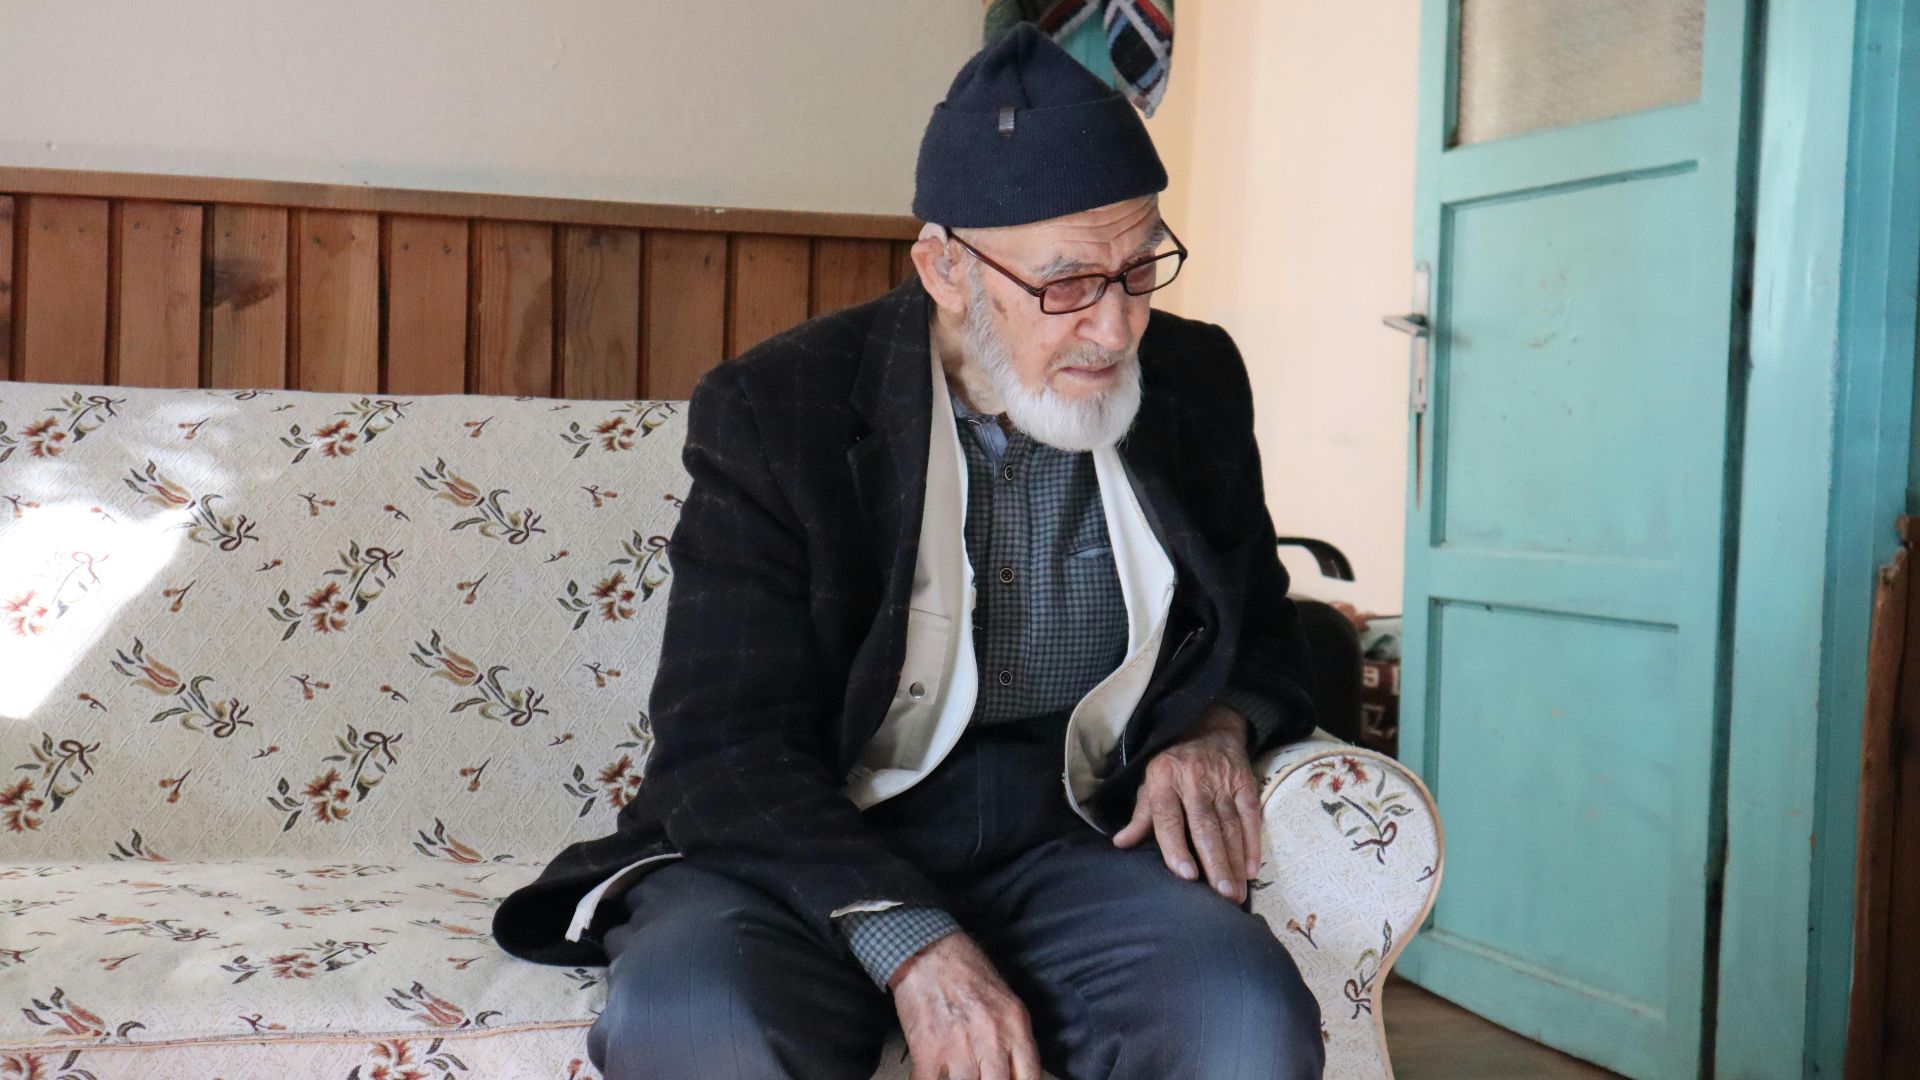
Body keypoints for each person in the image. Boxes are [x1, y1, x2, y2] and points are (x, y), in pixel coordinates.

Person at [492, 23, 1324, 1080]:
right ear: (946, 268)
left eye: (1138, 268)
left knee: (1240, 1018)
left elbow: (1265, 629)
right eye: (1067, 283)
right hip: (805, 850)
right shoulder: (779, 408)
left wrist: (1214, 726)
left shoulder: (1193, 379)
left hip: (1071, 839)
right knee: (700, 1021)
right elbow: (723, 748)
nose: (1116, 329)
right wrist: (916, 946)